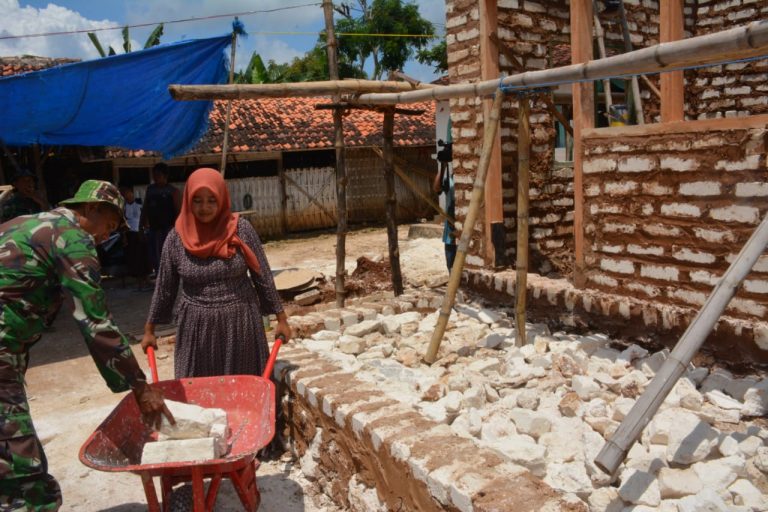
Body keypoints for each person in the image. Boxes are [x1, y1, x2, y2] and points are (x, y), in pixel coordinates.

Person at [0, 180, 173, 511]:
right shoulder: (72, 238)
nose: (105, 236)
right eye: (107, 225)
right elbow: (96, 323)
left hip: (9, 350)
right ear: (90, 208)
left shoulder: (28, 223)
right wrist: (140, 386)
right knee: (24, 478)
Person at [141, 168, 291, 379]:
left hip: (240, 322)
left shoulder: (241, 230)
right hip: (196, 326)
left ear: (222, 199)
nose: (205, 208)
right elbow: (165, 288)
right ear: (188, 201)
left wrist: (281, 318)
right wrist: (149, 330)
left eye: (212, 200)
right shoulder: (176, 239)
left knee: (243, 385)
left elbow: (262, 275)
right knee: (198, 389)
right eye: (198, 200)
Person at [140, 163, 180, 276]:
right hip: (153, 228)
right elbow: (145, 209)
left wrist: (176, 230)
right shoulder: (150, 190)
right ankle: (159, 275)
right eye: (154, 175)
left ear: (165, 176)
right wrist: (141, 227)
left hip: (168, 229)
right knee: (154, 255)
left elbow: (179, 213)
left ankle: (169, 276)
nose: (155, 178)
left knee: (167, 254)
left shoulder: (172, 191)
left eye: (158, 175)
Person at [433, 126, 457, 271]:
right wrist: (442, 166)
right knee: (451, 266)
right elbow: (437, 188)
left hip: (461, 229)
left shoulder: (464, 179)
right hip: (450, 229)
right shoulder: (450, 179)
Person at [120, 185, 152, 290]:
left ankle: (147, 278)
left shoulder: (139, 203)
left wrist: (146, 228)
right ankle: (139, 281)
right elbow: (123, 223)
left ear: (132, 193)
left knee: (144, 256)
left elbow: (146, 217)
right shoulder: (123, 207)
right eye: (124, 194)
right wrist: (124, 236)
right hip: (131, 234)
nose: (127, 196)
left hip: (141, 232)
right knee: (135, 258)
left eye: (128, 193)